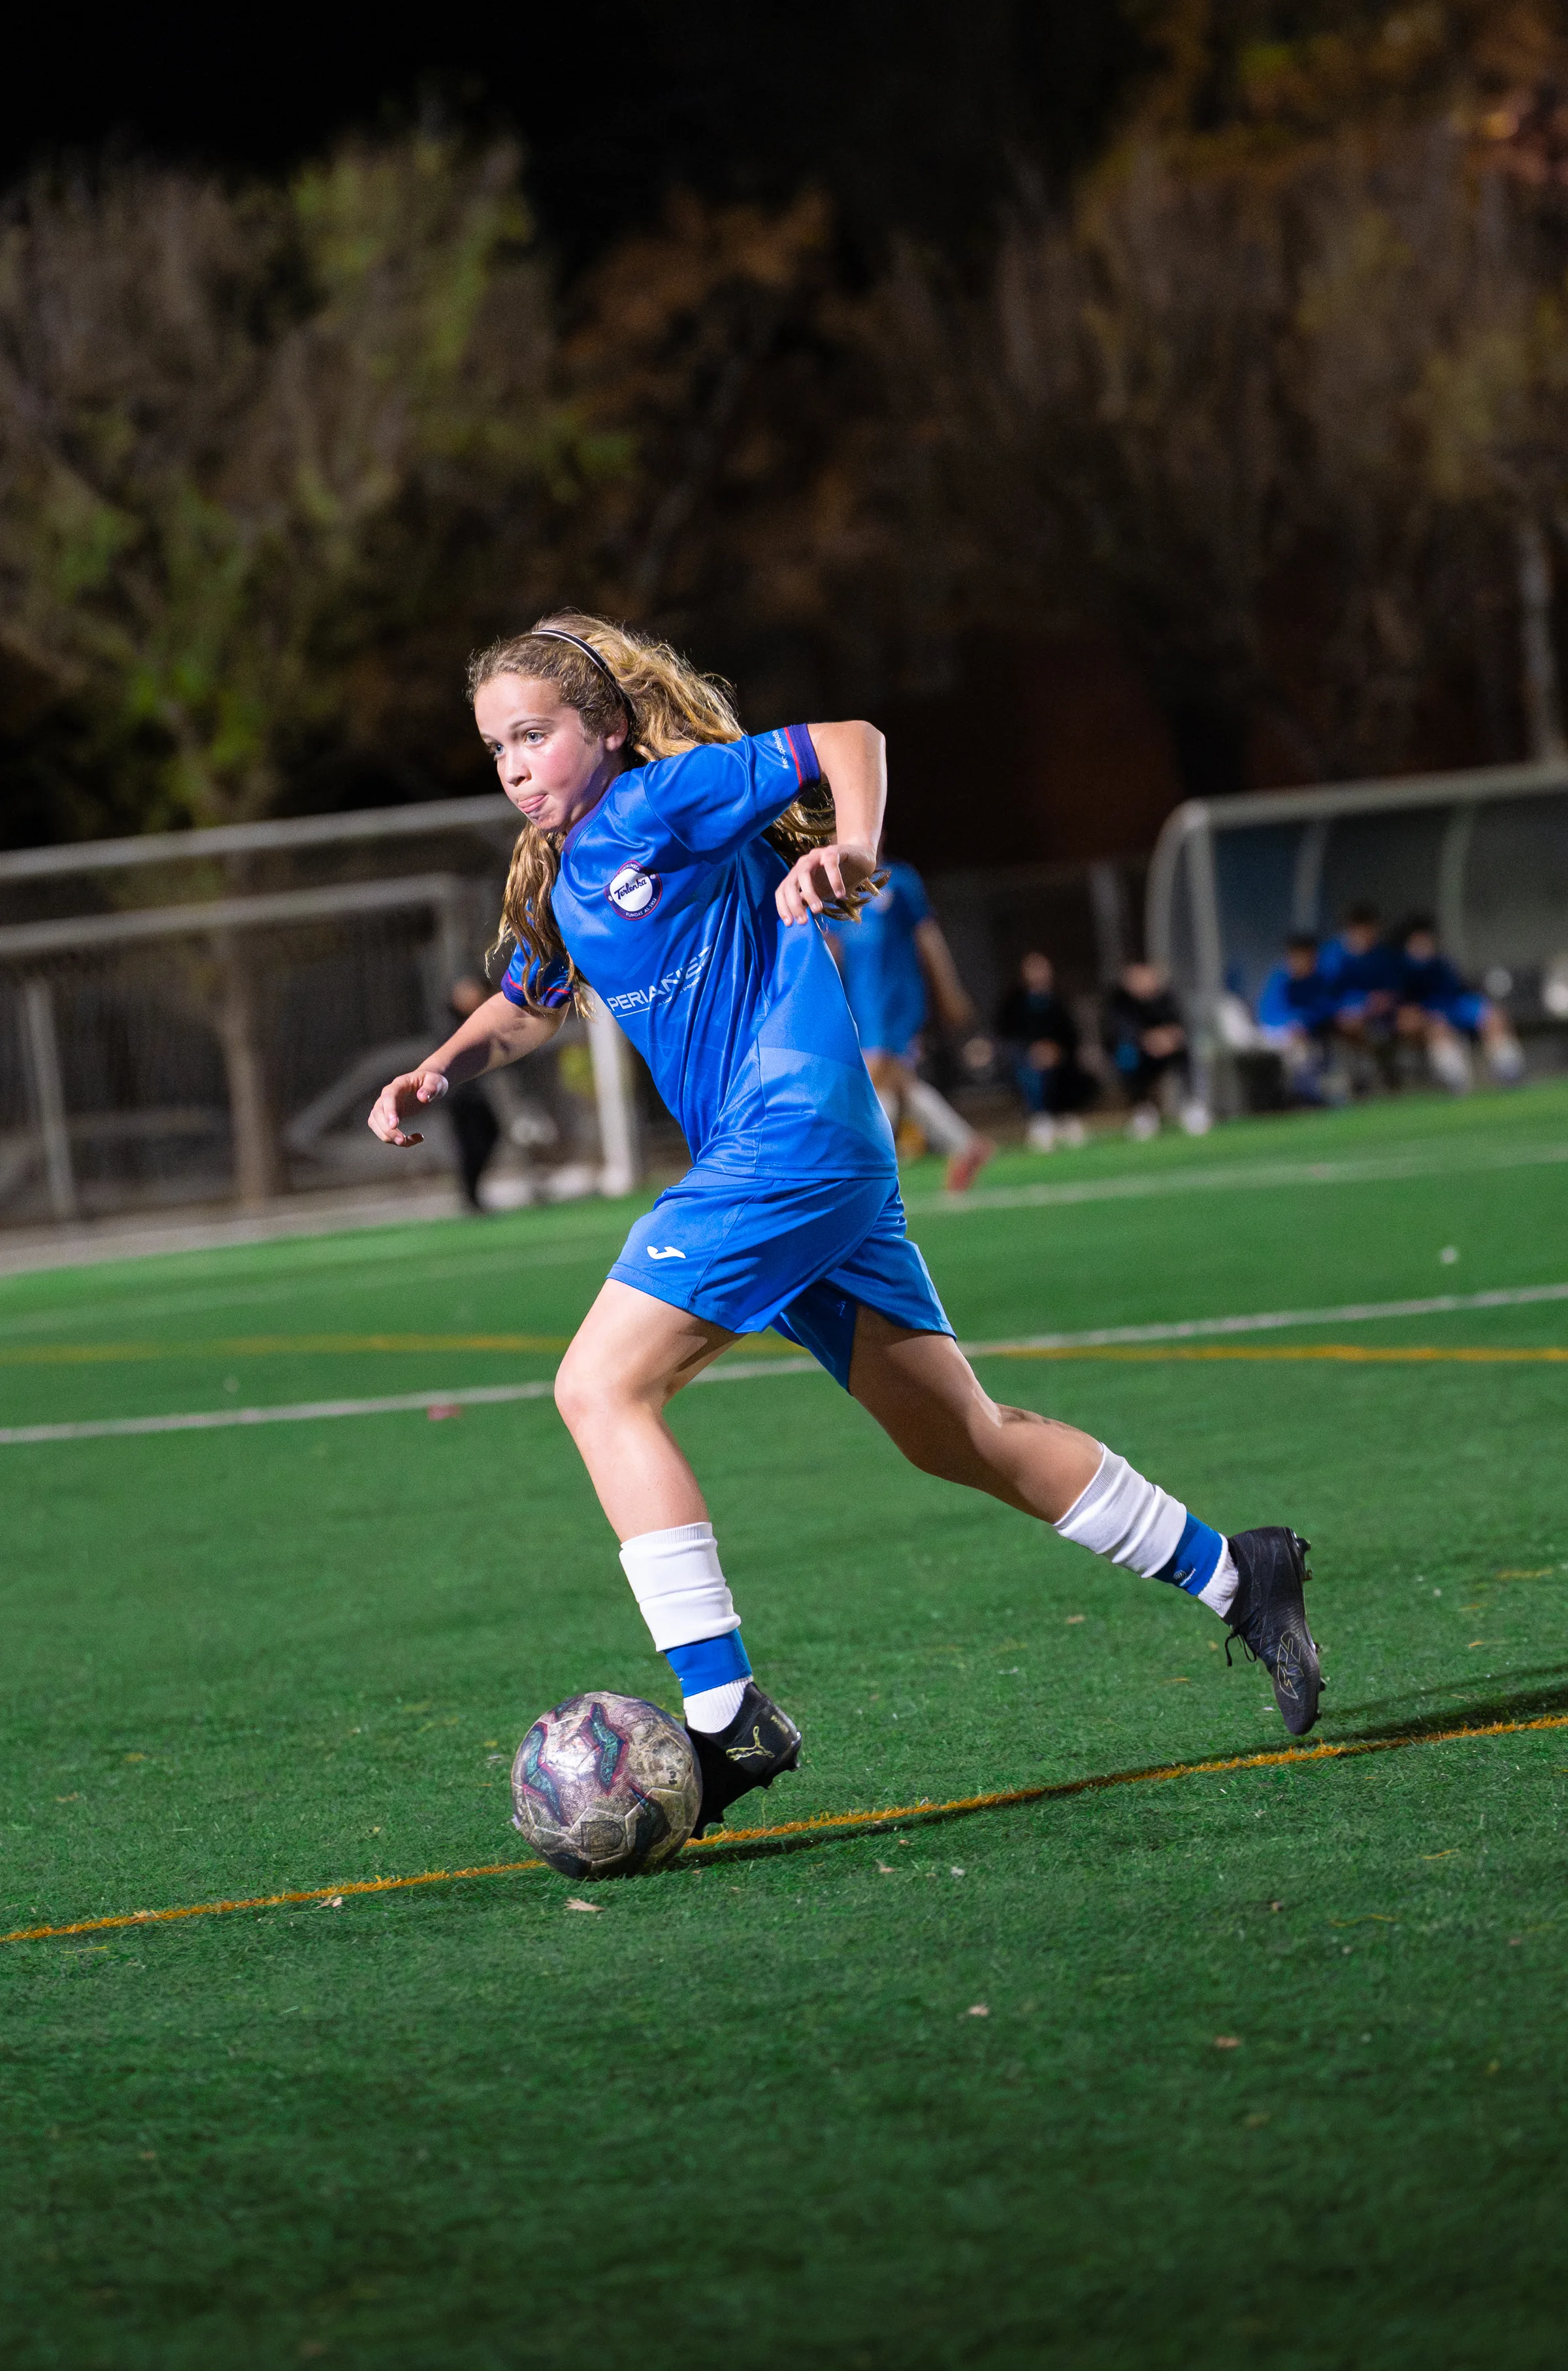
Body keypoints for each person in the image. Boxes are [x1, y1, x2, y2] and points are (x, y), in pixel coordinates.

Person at [368, 614, 1323, 1840]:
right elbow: (531, 999)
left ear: (604, 727)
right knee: (960, 1436)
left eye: (534, 734)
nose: (513, 763)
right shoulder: (565, 869)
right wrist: (439, 1066)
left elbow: (848, 737)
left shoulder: (663, 801)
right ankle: (1242, 1571)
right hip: (800, 1163)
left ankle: (726, 1718)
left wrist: (852, 850)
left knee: (599, 1388)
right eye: (496, 745)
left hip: (793, 1135)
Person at [825, 859, 994, 1192]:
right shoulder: (838, 888)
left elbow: (928, 936)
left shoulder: (898, 881)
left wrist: (949, 989)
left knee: (869, 1078)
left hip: (895, 1000)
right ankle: (966, 1145)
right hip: (862, 1001)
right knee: (897, 1084)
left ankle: (855, 1172)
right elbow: (835, 947)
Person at [1394, 916, 1526, 1091]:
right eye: (1418, 940)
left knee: (1493, 1016)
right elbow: (1403, 1006)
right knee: (1438, 1027)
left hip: (1456, 1004)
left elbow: (1460, 991)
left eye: (1427, 938)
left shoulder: (1442, 962)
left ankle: (1510, 1071)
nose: (1424, 943)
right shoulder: (1403, 968)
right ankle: (1456, 1080)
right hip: (1429, 1011)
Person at [994, 951, 1096, 1151]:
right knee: (1028, 1071)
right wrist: (1032, 1050)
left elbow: (1072, 1034)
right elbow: (1006, 1033)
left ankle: (1064, 1117)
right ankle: (1040, 1119)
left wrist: (1056, 1050)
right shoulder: (1015, 1002)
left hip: (1059, 1055)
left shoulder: (1059, 999)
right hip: (1025, 1055)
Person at [1103, 961, 1210, 1140]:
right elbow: (1120, 1032)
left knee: (1189, 1054)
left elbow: (1183, 1024)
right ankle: (1143, 1111)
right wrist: (1146, 1040)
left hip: (1169, 1050)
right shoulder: (1119, 1001)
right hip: (1140, 1053)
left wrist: (1169, 1038)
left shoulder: (1168, 996)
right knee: (1126, 1056)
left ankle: (1193, 1106)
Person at [444, 976, 503, 1208]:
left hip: (476, 1096)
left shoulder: (481, 1021)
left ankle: (473, 1193)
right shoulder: (455, 1027)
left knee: (489, 1136)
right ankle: (470, 1196)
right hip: (461, 1098)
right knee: (470, 1146)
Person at [1256, 933, 1336, 1103]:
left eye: (1308, 957)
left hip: (1313, 1033)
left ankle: (1318, 1094)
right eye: (1299, 957)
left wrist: (1305, 1023)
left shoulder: (1320, 980)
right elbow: (1268, 1016)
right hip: (1279, 1035)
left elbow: (1326, 1008)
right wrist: (1293, 1025)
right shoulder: (1280, 980)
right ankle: (1301, 1097)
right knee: (1299, 1051)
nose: (1304, 962)